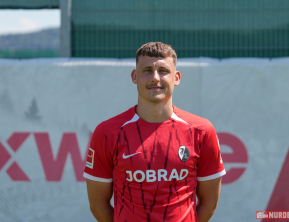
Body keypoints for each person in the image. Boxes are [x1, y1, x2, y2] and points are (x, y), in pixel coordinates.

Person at [83, 42, 226, 222]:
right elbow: (98, 205)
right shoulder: (107, 132)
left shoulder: (202, 130)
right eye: (147, 70)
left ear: (176, 77)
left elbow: (210, 202)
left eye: (164, 71)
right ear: (135, 76)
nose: (155, 78)